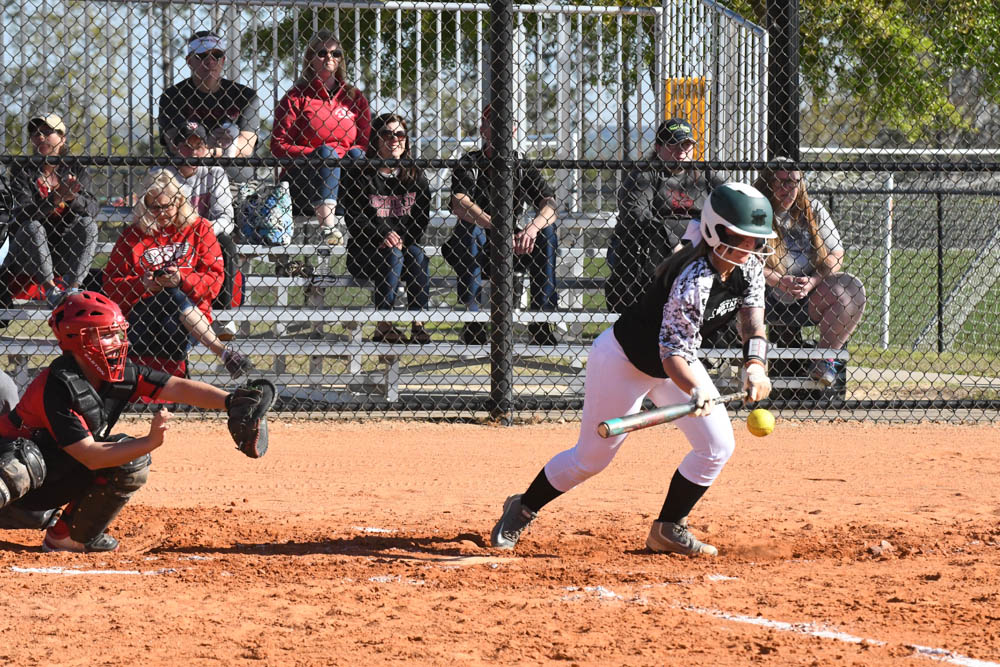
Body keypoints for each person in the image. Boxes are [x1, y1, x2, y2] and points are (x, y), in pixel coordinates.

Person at [490, 182, 776, 557]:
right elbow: (670, 352)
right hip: (624, 361)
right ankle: (522, 507)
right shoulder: (694, 278)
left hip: (677, 364)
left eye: (756, 240)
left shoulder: (748, 268)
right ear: (715, 230)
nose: (751, 248)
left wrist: (755, 365)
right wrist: (695, 388)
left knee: (717, 446)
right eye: (743, 238)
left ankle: (668, 528)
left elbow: (753, 325)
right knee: (590, 460)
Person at [0, 291, 272, 552]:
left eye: (117, 333)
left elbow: (177, 387)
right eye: (105, 335)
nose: (117, 342)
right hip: (15, 481)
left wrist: (229, 402)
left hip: (43, 491)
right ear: (77, 339)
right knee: (24, 459)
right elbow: (90, 456)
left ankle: (68, 537)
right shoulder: (56, 385)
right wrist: (150, 441)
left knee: (129, 461)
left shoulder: (120, 373)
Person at [102, 171, 252, 379]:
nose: (162, 213)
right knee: (170, 296)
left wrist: (182, 280)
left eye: (168, 206)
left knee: (174, 299)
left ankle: (164, 394)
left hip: (189, 316)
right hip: (143, 312)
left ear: (180, 201)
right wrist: (142, 284)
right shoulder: (132, 235)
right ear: (145, 205)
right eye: (155, 207)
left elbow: (214, 280)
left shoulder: (200, 229)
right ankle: (223, 353)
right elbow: (111, 285)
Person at [443, 103, 559, 345]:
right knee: (471, 228)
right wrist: (496, 228)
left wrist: (532, 228)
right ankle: (474, 319)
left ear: (513, 131)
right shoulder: (471, 162)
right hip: (477, 244)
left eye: (505, 124)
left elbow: (550, 205)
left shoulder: (520, 165)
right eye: (492, 123)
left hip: (513, 245)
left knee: (547, 233)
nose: (499, 129)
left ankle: (541, 319)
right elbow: (459, 202)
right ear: (483, 129)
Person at [754, 160, 866, 387]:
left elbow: (836, 253)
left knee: (850, 288)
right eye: (783, 182)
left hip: (808, 296)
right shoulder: (755, 209)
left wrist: (813, 281)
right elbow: (744, 259)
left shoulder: (812, 209)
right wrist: (778, 280)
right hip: (763, 296)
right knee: (735, 282)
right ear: (768, 183)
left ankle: (824, 359)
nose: (790, 189)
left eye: (795, 182)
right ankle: (750, 361)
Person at [606, 117, 724, 313]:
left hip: (699, 242)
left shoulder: (705, 175)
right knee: (653, 233)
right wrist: (673, 244)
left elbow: (730, 201)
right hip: (656, 247)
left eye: (686, 144)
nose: (682, 150)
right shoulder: (645, 174)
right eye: (674, 144)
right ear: (659, 148)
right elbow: (637, 215)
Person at [271, 31, 370, 243]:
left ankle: (366, 227)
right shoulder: (297, 96)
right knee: (326, 152)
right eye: (322, 53)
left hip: (344, 182)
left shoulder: (354, 97)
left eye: (336, 54)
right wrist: (319, 156)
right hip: (304, 183)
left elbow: (365, 142)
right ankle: (328, 229)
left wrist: (341, 157)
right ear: (310, 58)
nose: (329, 58)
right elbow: (278, 146)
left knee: (356, 155)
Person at [342, 113, 432, 344]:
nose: (394, 139)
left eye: (400, 134)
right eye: (387, 134)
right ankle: (384, 325)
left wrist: (402, 239)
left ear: (406, 140)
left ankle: (418, 322)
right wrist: (383, 234)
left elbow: (421, 220)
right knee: (392, 254)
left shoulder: (416, 176)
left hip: (404, 248)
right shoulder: (361, 174)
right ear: (376, 140)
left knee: (418, 255)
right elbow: (354, 219)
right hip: (366, 252)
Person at [4, 113, 98, 307]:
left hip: (63, 247)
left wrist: (71, 198)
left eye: (47, 132)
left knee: (88, 224)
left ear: (62, 138)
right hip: (28, 251)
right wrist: (55, 198)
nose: (40, 137)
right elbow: (22, 214)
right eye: (35, 133)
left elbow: (93, 207)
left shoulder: (75, 168)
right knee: (33, 226)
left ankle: (72, 290)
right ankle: (52, 292)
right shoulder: (23, 169)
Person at [155, 120, 239, 335]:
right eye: (186, 145)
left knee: (227, 244)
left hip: (205, 234)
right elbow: (153, 214)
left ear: (206, 148)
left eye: (198, 145)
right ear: (175, 147)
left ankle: (223, 316)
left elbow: (226, 218)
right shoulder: (162, 173)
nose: (192, 151)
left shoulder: (215, 172)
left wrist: (202, 232)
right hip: (171, 235)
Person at [158, 31, 261, 182]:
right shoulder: (173, 96)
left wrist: (205, 148)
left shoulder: (246, 96)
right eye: (202, 55)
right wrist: (225, 147)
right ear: (189, 61)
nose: (210, 61)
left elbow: (246, 146)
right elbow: (174, 144)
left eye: (217, 55)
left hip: (235, 178)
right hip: (188, 179)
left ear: (223, 60)